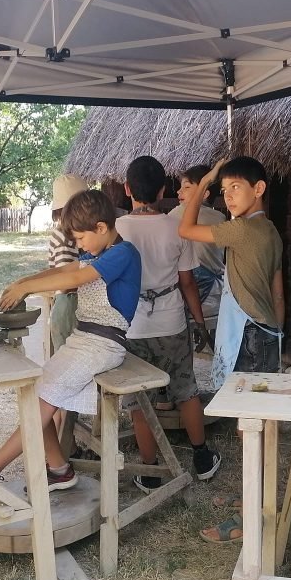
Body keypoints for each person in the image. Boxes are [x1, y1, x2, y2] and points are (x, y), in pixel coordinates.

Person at [0, 189, 142, 492]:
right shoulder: (96, 254)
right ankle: (60, 470)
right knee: (34, 393)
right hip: (83, 339)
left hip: (105, 345)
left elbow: (74, 279)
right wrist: (22, 282)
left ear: (101, 227)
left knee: (45, 399)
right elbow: (64, 269)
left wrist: (28, 289)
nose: (78, 245)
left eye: (80, 238)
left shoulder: (123, 254)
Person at [178, 156, 285, 543]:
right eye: (223, 191)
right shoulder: (271, 230)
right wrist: (278, 337)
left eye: (235, 187)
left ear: (259, 189)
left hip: (249, 338)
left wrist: (203, 183)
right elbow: (277, 292)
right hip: (266, 334)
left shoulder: (241, 230)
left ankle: (250, 517)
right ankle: (251, 498)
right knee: (257, 424)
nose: (228, 197)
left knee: (250, 428)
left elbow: (185, 228)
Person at [115, 156, 221, 490]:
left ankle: (149, 469)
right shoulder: (177, 226)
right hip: (172, 321)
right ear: (163, 190)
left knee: (140, 399)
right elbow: (187, 282)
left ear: (127, 188)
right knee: (186, 390)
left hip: (131, 325)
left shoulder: (116, 229)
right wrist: (200, 323)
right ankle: (202, 457)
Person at [169, 165, 227, 304]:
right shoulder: (221, 217)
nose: (179, 191)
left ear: (204, 194)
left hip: (187, 291)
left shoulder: (177, 213)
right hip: (215, 292)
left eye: (186, 187)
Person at [46, 174, 89, 354]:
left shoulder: (68, 233)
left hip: (70, 302)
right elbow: (67, 281)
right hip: (69, 303)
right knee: (69, 355)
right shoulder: (65, 237)